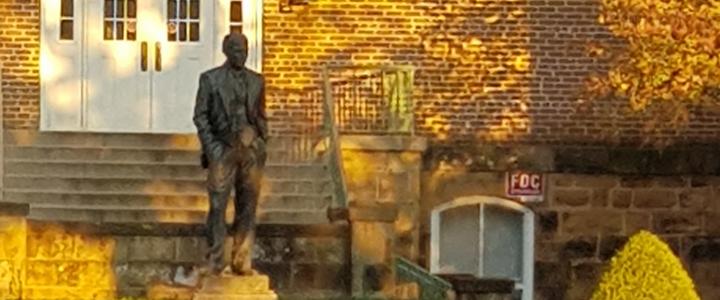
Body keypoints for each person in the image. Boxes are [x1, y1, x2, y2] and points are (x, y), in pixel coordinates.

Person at [193, 32, 267, 276]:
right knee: (217, 205)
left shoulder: (257, 81)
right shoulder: (210, 80)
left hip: (250, 152)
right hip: (222, 149)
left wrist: (259, 138)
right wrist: (212, 148)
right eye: (236, 50)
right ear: (226, 51)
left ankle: (241, 259)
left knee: (247, 206)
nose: (241, 55)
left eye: (244, 50)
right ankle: (215, 259)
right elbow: (201, 116)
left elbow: (260, 116)